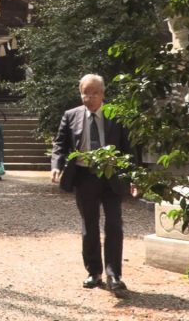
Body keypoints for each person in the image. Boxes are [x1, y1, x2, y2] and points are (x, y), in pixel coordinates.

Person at [51, 74, 134, 293]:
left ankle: (114, 275)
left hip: (112, 176)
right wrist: (56, 165)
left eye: (94, 93)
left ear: (102, 94)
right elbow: (60, 144)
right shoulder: (71, 116)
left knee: (114, 224)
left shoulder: (116, 115)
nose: (89, 97)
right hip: (84, 176)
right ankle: (94, 272)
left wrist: (133, 177)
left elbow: (129, 149)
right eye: (85, 93)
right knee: (90, 226)